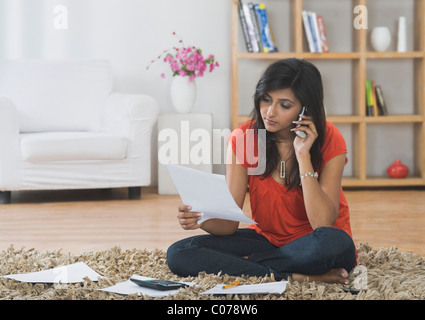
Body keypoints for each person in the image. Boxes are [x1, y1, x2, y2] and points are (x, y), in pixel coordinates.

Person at [166, 58, 356, 284]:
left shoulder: (330, 139)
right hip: (267, 240)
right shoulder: (244, 138)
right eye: (266, 99)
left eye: (284, 105)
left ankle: (246, 265)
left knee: (335, 242)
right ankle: (294, 276)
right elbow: (228, 225)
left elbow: (323, 223)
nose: (270, 112)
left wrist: (303, 155)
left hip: (315, 243)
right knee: (180, 252)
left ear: (307, 109)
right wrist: (200, 217)